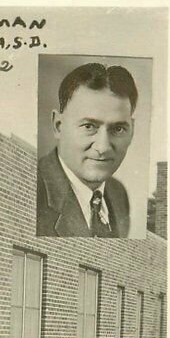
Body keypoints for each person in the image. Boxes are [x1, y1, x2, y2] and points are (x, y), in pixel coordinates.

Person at [37, 62, 138, 238]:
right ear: (58, 126)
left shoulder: (118, 193)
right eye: (89, 126)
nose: (103, 147)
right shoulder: (32, 192)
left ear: (132, 130)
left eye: (118, 129)